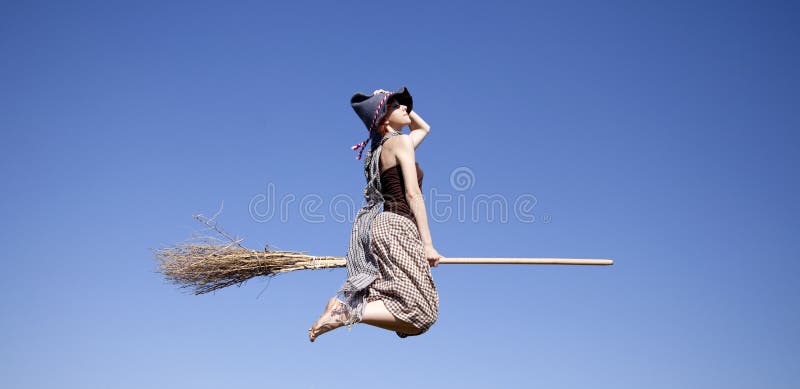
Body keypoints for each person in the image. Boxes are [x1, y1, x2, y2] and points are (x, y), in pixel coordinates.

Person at [308, 86, 445, 342]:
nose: (406, 108)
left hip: (382, 228)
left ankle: (346, 311)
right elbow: (414, 194)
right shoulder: (400, 142)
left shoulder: (381, 149)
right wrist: (428, 244)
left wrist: (388, 102)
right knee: (421, 312)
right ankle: (344, 311)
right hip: (398, 226)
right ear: (383, 118)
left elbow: (423, 129)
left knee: (412, 311)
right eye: (396, 106)